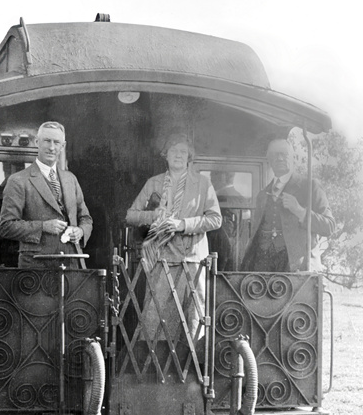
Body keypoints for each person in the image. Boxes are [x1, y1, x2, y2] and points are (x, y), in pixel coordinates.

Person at [125, 133, 222, 344]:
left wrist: (183, 225)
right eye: (173, 150)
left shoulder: (203, 183)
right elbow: (130, 215)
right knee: (157, 315)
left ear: (189, 156)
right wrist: (153, 216)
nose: (178, 155)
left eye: (183, 151)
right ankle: (157, 365)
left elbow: (215, 219)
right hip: (161, 257)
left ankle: (194, 367)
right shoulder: (154, 183)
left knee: (193, 314)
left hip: (193, 260)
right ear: (165, 155)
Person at [0, 121, 93, 268]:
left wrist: (80, 231)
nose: (51, 147)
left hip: (72, 264)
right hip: (37, 267)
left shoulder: (71, 179)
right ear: (37, 142)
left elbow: (86, 219)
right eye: (47, 141)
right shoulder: (18, 180)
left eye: (56, 142)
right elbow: (6, 226)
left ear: (63, 146)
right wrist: (43, 226)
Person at [241, 138, 335, 273]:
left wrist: (300, 211)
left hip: (296, 268)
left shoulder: (309, 186)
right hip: (263, 268)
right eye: (274, 155)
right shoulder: (262, 195)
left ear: (294, 157)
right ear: (269, 160)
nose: (279, 158)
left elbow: (329, 226)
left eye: (284, 154)